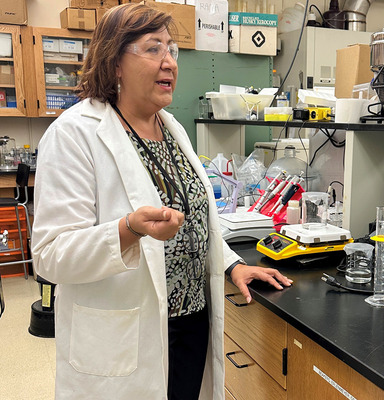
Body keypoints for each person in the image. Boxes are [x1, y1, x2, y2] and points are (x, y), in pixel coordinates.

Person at [31, 4, 292, 400]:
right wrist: (128, 229)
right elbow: (50, 256)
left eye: (172, 49)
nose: (170, 62)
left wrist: (231, 264)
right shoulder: (73, 135)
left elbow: (193, 222)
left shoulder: (171, 130)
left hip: (191, 325)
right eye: (154, 49)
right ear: (114, 62)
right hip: (126, 334)